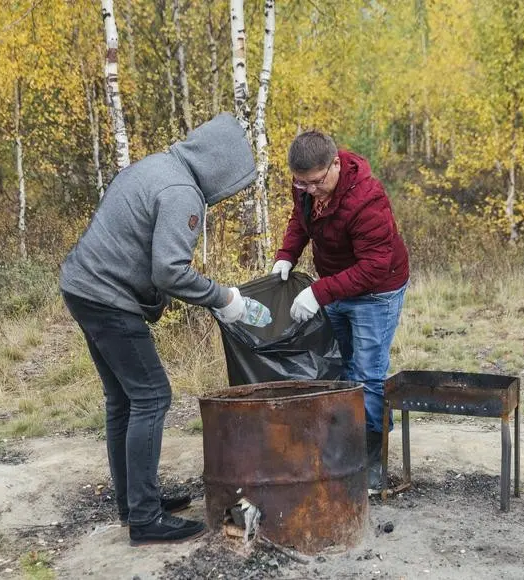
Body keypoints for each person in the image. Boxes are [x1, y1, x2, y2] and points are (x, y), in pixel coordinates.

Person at [60, 113, 269, 546]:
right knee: (152, 396)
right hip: (106, 297)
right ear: (220, 168)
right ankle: (145, 519)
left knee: (123, 399)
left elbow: (139, 250)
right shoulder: (182, 193)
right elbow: (170, 271)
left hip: (81, 286)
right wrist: (223, 297)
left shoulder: (156, 166)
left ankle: (133, 503)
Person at [271, 130, 410, 491]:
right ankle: (347, 441)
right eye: (302, 184)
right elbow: (299, 220)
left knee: (367, 373)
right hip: (336, 285)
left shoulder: (367, 199)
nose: (310, 190)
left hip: (377, 292)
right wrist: (286, 255)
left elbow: (374, 267)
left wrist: (319, 292)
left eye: (316, 182)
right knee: (339, 366)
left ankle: (373, 455)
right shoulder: (307, 186)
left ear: (335, 164)